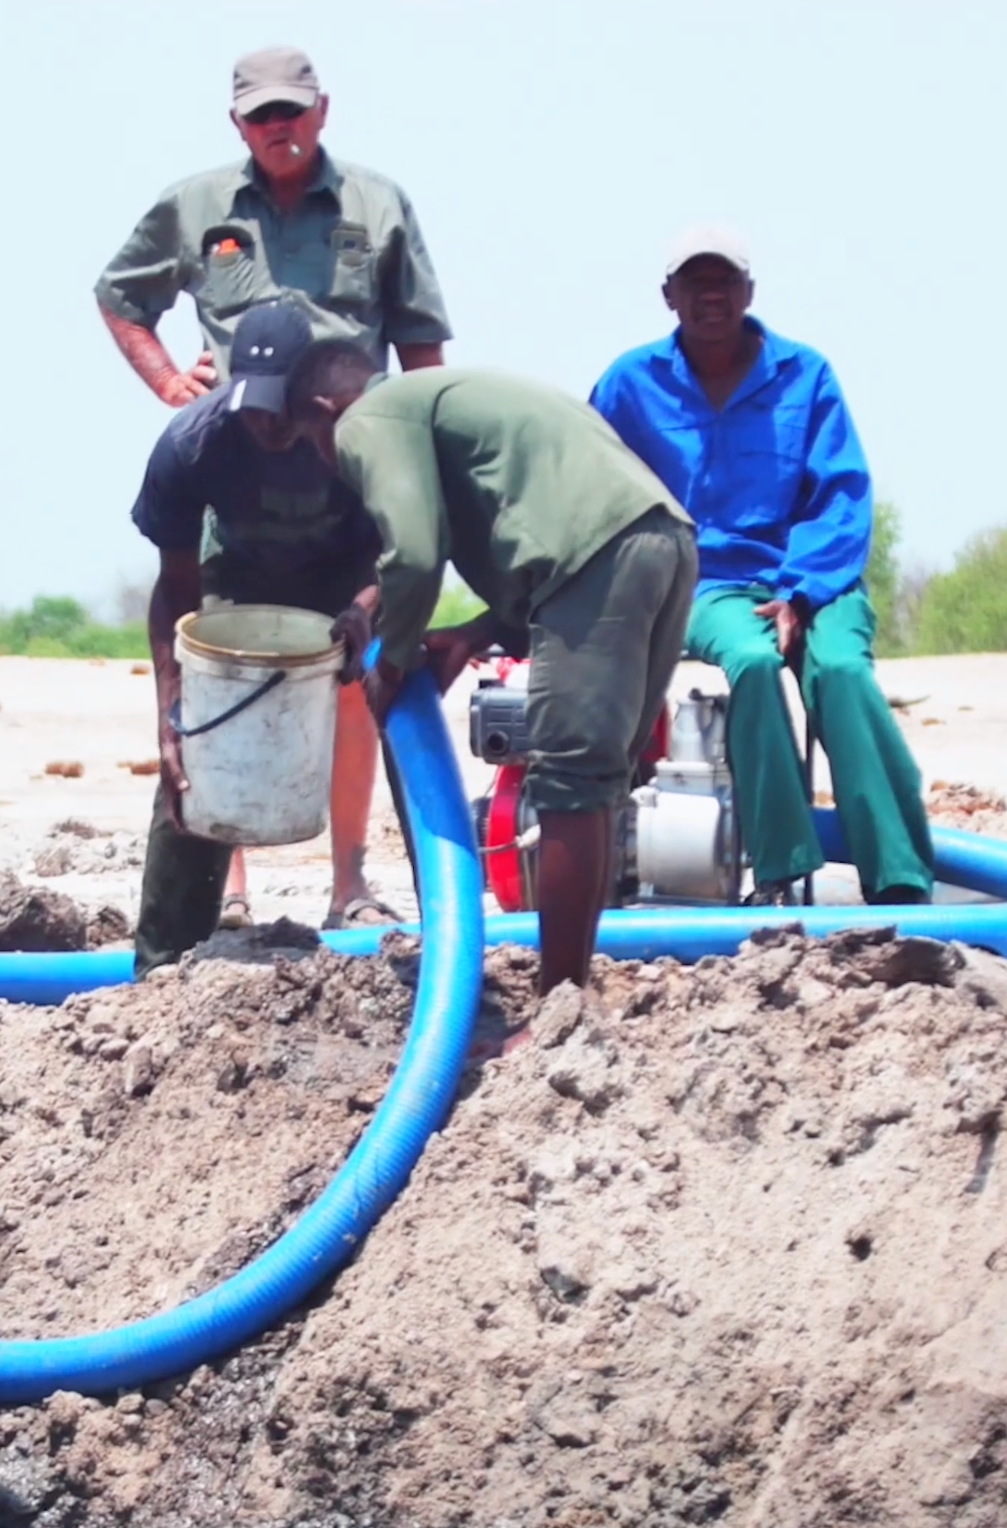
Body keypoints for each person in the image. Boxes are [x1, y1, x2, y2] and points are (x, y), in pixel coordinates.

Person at [98, 44, 454, 932]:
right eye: (261, 116)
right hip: (246, 476)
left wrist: (414, 452)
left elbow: (420, 345)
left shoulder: (377, 204)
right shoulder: (198, 211)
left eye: (291, 111)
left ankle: (362, 886)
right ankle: (220, 896)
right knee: (223, 676)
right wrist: (169, 384)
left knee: (368, 680)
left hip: (348, 464)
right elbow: (119, 294)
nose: (278, 127)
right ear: (238, 125)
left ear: (322, 112)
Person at [286, 349, 698, 1000]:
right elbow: (516, 524)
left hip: (597, 555)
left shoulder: (368, 416)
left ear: (324, 411)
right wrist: (474, 633)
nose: (327, 459)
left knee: (566, 786)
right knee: (594, 788)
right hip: (664, 543)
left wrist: (391, 666)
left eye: (312, 441)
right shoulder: (445, 401)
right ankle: (570, 1000)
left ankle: (555, 1011)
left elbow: (415, 554)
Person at [589, 229, 934, 905]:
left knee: (840, 671)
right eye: (695, 283)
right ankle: (780, 866)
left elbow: (842, 497)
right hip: (706, 582)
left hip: (816, 579)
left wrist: (802, 593)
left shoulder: (806, 376)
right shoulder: (631, 384)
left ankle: (898, 875)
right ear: (669, 296)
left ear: (749, 292)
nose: (711, 296)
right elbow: (589, 481)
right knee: (750, 662)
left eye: (725, 283)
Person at [130, 301, 389, 972]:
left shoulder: (361, 435)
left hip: (350, 587)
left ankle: (428, 935)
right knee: (194, 754)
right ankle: (163, 963)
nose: (266, 424)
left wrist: (364, 613)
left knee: (403, 707)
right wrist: (172, 714)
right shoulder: (193, 446)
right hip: (243, 583)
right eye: (252, 407)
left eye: (280, 408)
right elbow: (176, 589)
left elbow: (405, 553)